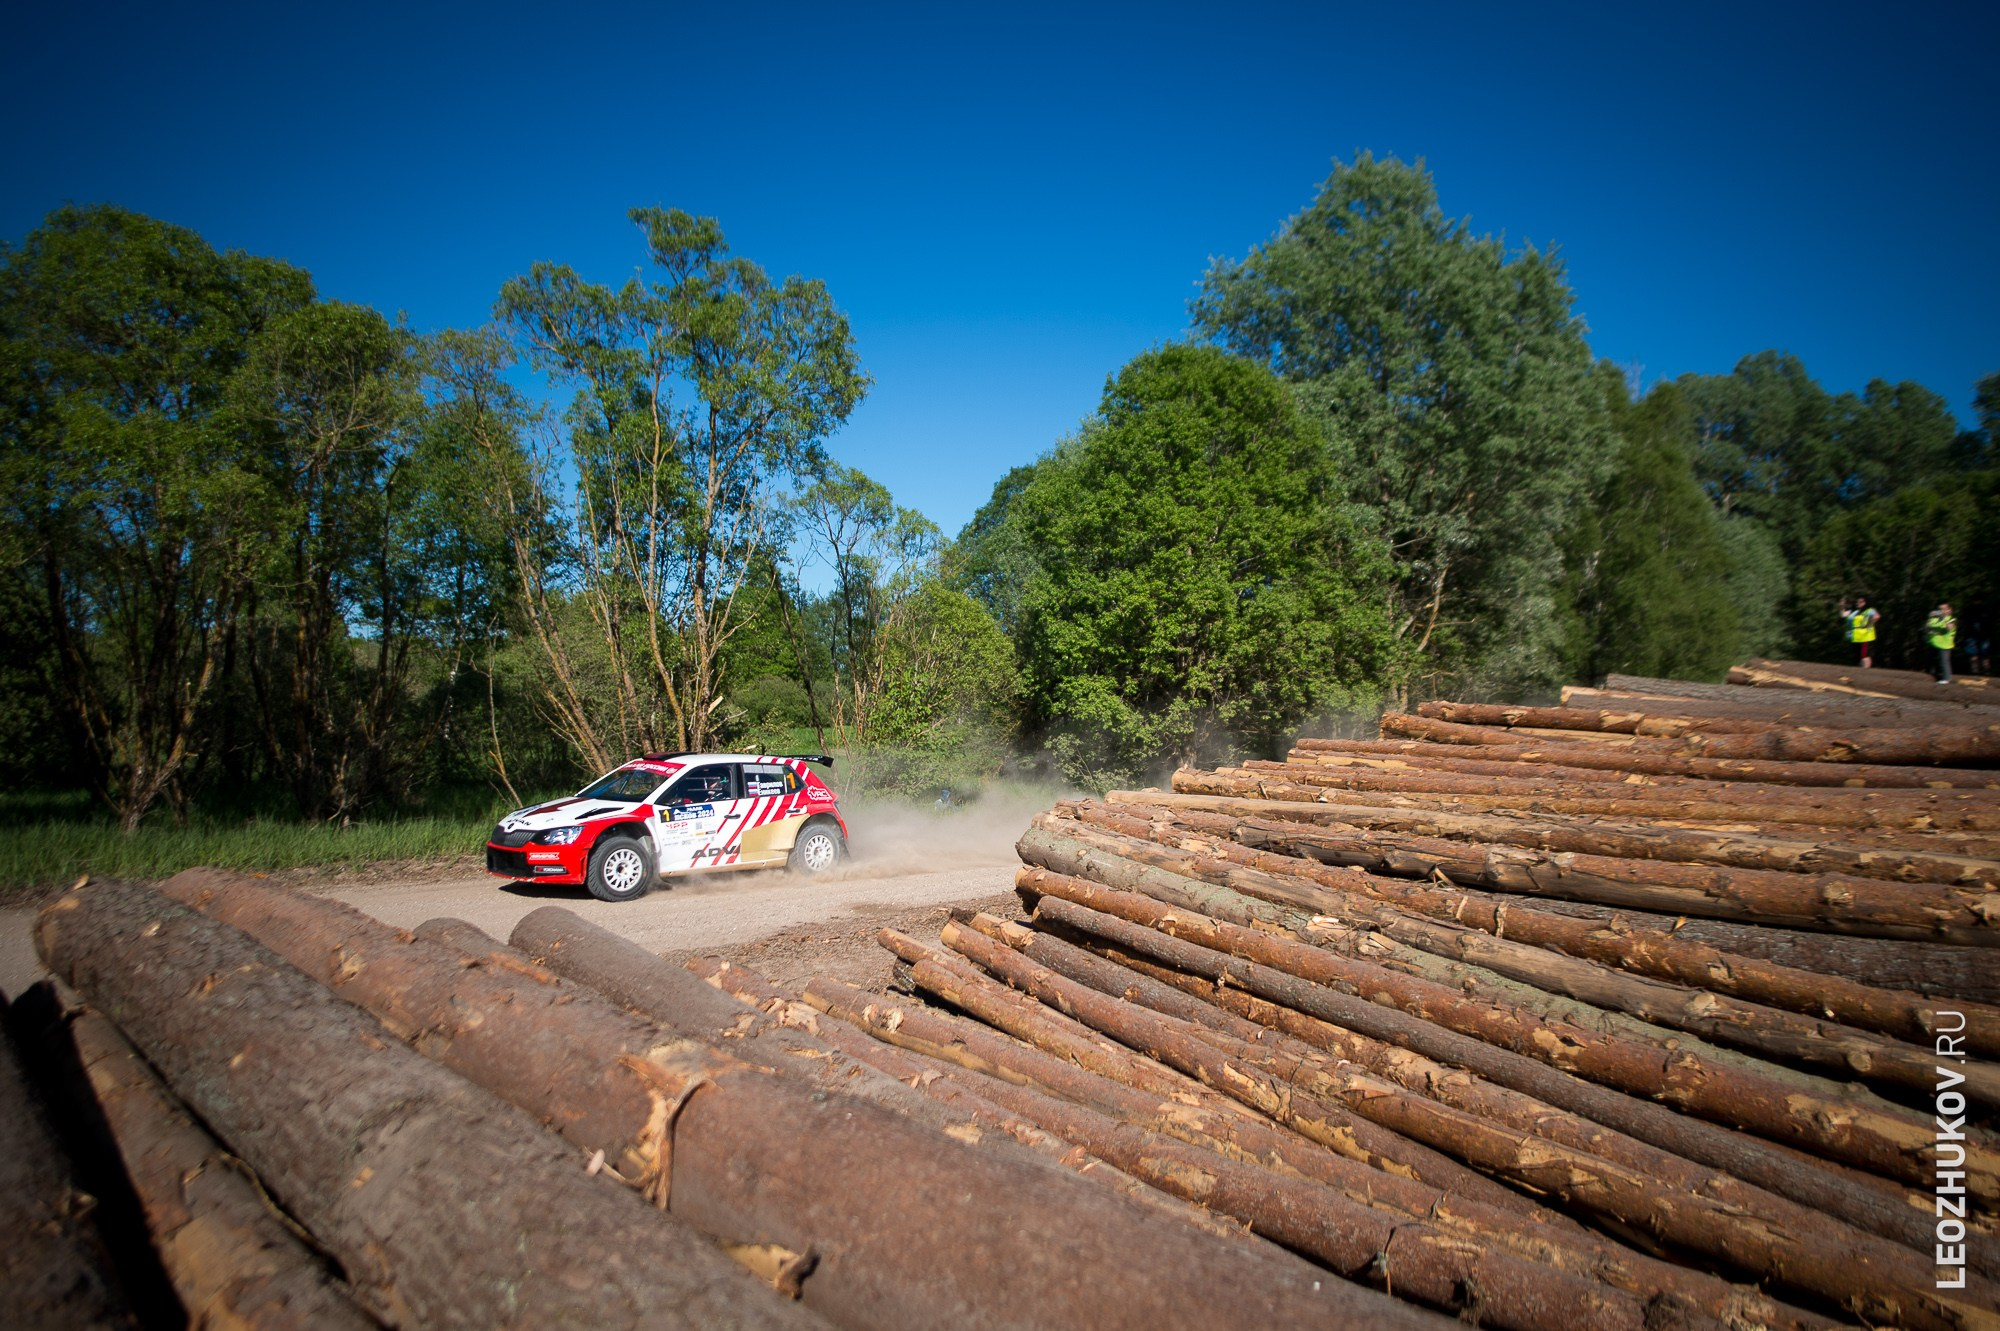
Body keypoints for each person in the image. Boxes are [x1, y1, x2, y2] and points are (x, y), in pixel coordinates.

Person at [1843, 596, 1880, 668]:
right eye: (1857, 602)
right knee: (1859, 654)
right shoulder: (1856, 612)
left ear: (1865, 602)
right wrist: (1843, 606)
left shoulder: (1869, 610)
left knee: (1865, 654)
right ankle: (1861, 669)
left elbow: (1877, 616)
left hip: (1866, 636)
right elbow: (1844, 615)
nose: (1858, 603)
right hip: (1857, 636)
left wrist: (1869, 624)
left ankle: (1866, 670)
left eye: (1860, 602)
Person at [1926, 602, 1958, 683]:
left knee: (1944, 661)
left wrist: (1934, 630)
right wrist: (1931, 617)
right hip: (1933, 644)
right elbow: (1927, 627)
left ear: (1949, 610)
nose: (1942, 611)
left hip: (1945, 645)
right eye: (1940, 609)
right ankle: (1932, 676)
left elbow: (1947, 629)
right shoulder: (1934, 619)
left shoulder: (1952, 619)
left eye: (1944, 609)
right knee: (1932, 662)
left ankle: (1947, 678)